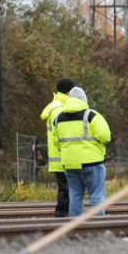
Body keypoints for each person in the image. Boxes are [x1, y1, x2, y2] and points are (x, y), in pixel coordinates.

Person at [54, 86, 112, 217]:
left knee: (75, 194)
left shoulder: (58, 118)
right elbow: (105, 136)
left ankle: (75, 223)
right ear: (84, 99)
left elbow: (56, 142)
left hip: (70, 163)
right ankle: (98, 222)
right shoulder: (91, 115)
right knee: (97, 193)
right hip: (92, 162)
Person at [41, 78, 76, 217]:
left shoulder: (57, 106)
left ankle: (63, 214)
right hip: (62, 156)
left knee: (66, 188)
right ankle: (61, 215)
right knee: (65, 189)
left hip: (60, 156)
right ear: (69, 92)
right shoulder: (59, 108)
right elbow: (62, 131)